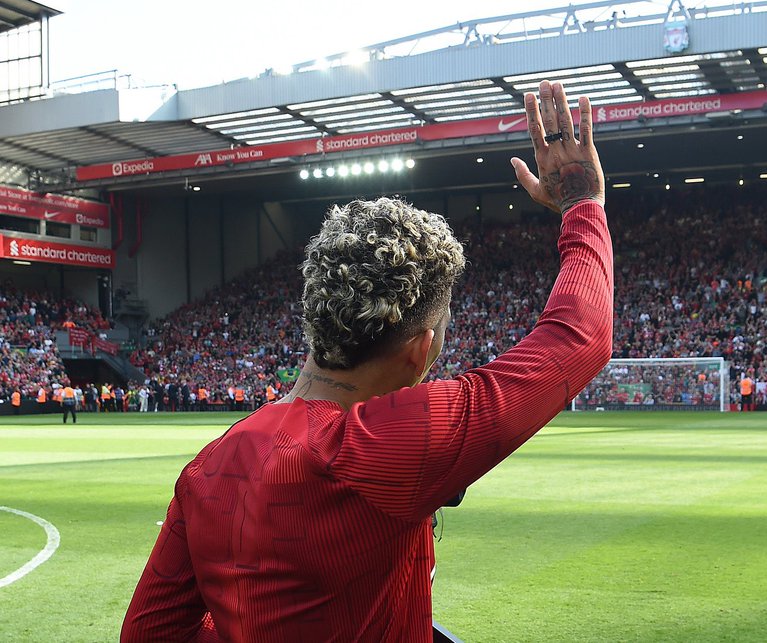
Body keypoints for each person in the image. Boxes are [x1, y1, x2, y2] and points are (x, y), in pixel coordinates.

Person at [122, 80, 613, 643]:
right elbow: (582, 335)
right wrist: (583, 206)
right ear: (419, 348)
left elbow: (147, 635)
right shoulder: (388, 444)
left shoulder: (208, 466)